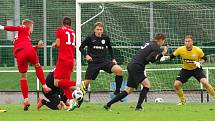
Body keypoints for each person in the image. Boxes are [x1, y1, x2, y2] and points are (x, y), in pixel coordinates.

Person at [104, 33, 168, 111]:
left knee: (130, 89)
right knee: (145, 85)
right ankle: (138, 107)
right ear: (161, 40)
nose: (163, 43)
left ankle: (108, 105)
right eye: (163, 41)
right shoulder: (156, 47)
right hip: (137, 67)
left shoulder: (148, 43)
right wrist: (162, 54)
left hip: (133, 65)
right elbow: (149, 60)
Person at [0, 19, 51, 111]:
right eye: (32, 28)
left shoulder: (20, 36)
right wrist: (2, 27)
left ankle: (26, 100)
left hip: (20, 55)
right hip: (28, 51)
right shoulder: (24, 27)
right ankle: (44, 86)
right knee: (37, 65)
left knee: (23, 77)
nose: (32, 30)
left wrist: (37, 46)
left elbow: (25, 47)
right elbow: (14, 28)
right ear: (29, 26)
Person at [160, 35, 215, 105]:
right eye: (186, 41)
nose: (187, 43)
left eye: (189, 41)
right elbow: (171, 57)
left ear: (192, 42)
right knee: (176, 85)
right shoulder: (180, 49)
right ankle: (183, 101)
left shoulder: (197, 50)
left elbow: (204, 58)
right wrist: (164, 58)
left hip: (196, 69)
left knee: (205, 83)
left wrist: (199, 62)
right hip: (186, 70)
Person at [79, 22, 124, 95]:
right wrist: (86, 55)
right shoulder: (90, 38)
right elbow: (80, 48)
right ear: (94, 30)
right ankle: (79, 98)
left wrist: (113, 59)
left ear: (102, 30)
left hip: (104, 61)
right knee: (86, 83)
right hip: (93, 63)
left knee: (119, 70)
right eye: (97, 29)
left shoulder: (106, 38)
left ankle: (117, 91)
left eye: (101, 29)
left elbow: (110, 48)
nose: (99, 31)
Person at [52, 16, 77, 103]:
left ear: (63, 23)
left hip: (63, 59)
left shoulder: (60, 29)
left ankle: (77, 85)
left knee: (56, 82)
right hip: (71, 60)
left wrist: (54, 44)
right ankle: (71, 101)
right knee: (65, 84)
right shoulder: (73, 32)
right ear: (70, 24)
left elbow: (58, 44)